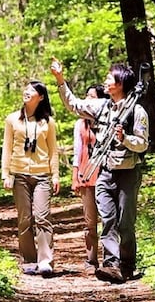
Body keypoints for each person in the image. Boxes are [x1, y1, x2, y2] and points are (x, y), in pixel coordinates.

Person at [50, 59, 148, 284]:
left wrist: (125, 139)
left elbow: (142, 144)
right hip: (104, 172)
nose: (105, 81)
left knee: (125, 221)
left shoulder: (137, 111)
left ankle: (127, 264)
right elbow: (74, 105)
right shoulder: (102, 106)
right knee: (108, 219)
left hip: (128, 173)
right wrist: (60, 80)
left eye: (109, 78)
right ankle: (111, 265)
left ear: (121, 83)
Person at [1, 80, 60, 277]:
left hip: (42, 175)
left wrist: (56, 175)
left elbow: (53, 151)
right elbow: (7, 149)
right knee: (25, 219)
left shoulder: (48, 122)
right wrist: (6, 174)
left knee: (43, 216)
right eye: (25, 88)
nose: (27, 92)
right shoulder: (12, 120)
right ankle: (29, 260)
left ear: (41, 97)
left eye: (32, 90)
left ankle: (45, 261)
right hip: (19, 174)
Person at [72, 84, 107, 273]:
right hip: (86, 173)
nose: (87, 100)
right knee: (89, 220)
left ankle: (111, 258)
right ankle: (91, 258)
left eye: (92, 97)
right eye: (86, 96)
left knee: (109, 218)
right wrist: (75, 176)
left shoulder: (108, 120)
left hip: (106, 172)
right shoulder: (80, 123)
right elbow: (77, 151)